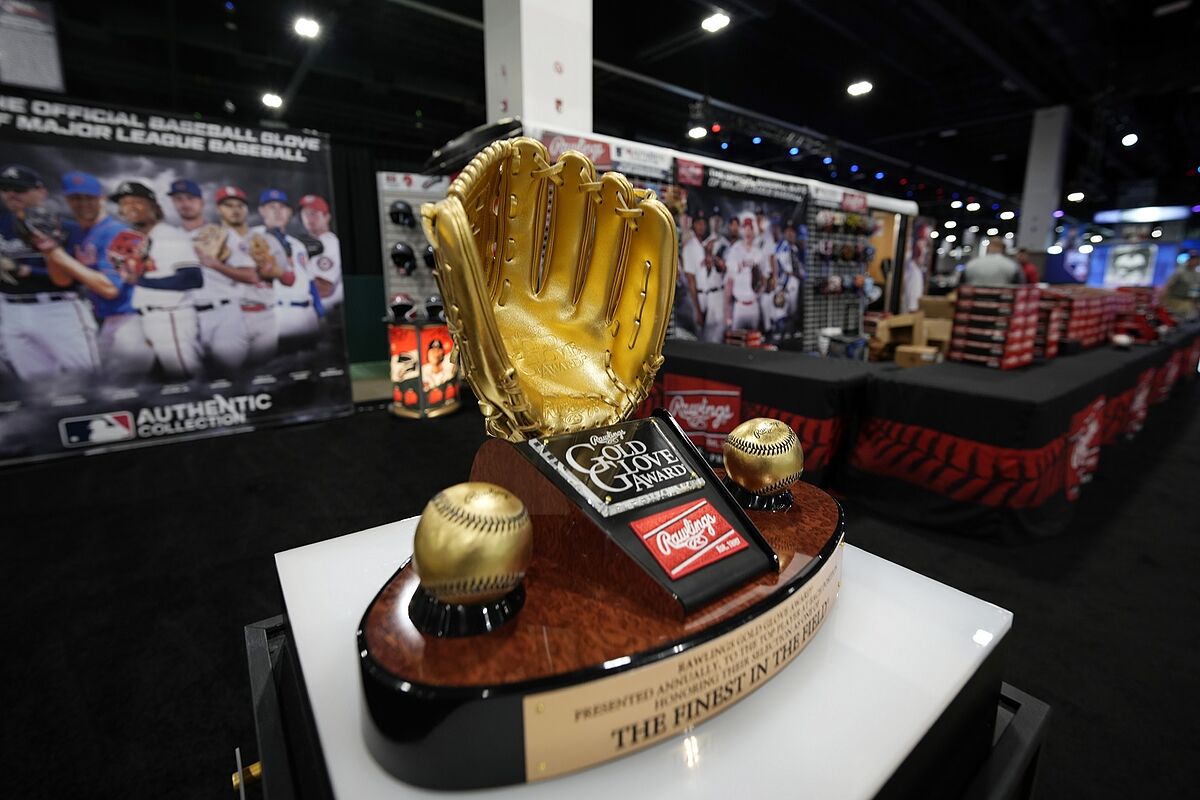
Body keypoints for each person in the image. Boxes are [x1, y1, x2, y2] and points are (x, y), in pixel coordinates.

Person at [0, 165, 117, 381]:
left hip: (58, 309)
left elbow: (72, 277)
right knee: (38, 388)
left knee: (87, 382)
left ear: (41, 192)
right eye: (5, 189)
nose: (11, 194)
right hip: (11, 310)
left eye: (19, 189)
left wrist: (26, 270)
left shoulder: (67, 227)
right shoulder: (2, 224)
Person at [59, 171, 152, 378]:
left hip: (130, 320)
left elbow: (111, 289)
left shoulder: (117, 232)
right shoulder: (77, 233)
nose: (83, 204)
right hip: (104, 320)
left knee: (129, 386)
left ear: (101, 199)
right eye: (76, 198)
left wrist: (56, 255)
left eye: (89, 198)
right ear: (67, 200)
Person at [112, 179, 204, 379]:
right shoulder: (134, 240)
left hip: (171, 316)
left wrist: (140, 280)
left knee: (186, 375)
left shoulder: (169, 236)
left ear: (153, 206)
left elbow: (192, 279)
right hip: (145, 316)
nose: (130, 207)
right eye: (124, 203)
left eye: (137, 201)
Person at [170, 179, 258, 373]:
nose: (185, 203)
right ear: (173, 203)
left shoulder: (224, 235)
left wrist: (216, 265)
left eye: (190, 198)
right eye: (179, 199)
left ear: (201, 203)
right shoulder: (170, 238)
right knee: (192, 379)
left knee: (230, 373)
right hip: (185, 315)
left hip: (223, 313)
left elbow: (251, 276)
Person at [212, 186, 277, 366]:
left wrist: (269, 268)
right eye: (228, 205)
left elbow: (279, 275)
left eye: (240, 205)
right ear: (218, 210)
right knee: (229, 371)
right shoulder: (211, 239)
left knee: (264, 372)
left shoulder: (263, 238)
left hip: (265, 312)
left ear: (247, 209)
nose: (235, 210)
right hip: (230, 314)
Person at [251, 188, 322, 352]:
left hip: (306, 314)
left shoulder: (297, 245)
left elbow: (310, 282)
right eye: (272, 207)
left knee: (313, 362)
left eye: (282, 207)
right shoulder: (252, 238)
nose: (278, 212)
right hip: (276, 313)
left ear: (289, 212)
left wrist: (320, 312)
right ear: (262, 211)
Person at [298, 194, 343, 309]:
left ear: (326, 217)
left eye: (314, 213)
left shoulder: (329, 243)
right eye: (305, 213)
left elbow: (324, 289)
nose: (309, 218)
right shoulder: (309, 243)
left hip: (325, 309)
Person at [724, 213, 764, 331]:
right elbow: (729, 283)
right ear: (742, 231)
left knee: (754, 338)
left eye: (750, 229)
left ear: (754, 232)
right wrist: (727, 314)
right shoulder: (735, 250)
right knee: (736, 338)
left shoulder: (758, 253)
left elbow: (763, 281)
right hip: (739, 306)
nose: (748, 232)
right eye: (745, 229)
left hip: (754, 305)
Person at [679, 211, 706, 334]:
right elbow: (690, 280)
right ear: (693, 225)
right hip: (695, 297)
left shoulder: (703, 245)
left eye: (703, 223)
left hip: (707, 296)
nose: (701, 226)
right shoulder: (690, 246)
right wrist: (697, 310)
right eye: (698, 223)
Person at [1162, 250, 1199, 320]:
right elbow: (1168, 286)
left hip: (1189, 302)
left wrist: (1195, 303)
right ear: (1189, 260)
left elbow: (1195, 289)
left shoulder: (1196, 274)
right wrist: (1163, 301)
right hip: (1176, 301)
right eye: (1192, 259)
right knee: (1177, 320)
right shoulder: (1180, 271)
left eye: (1196, 259)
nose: (1194, 261)